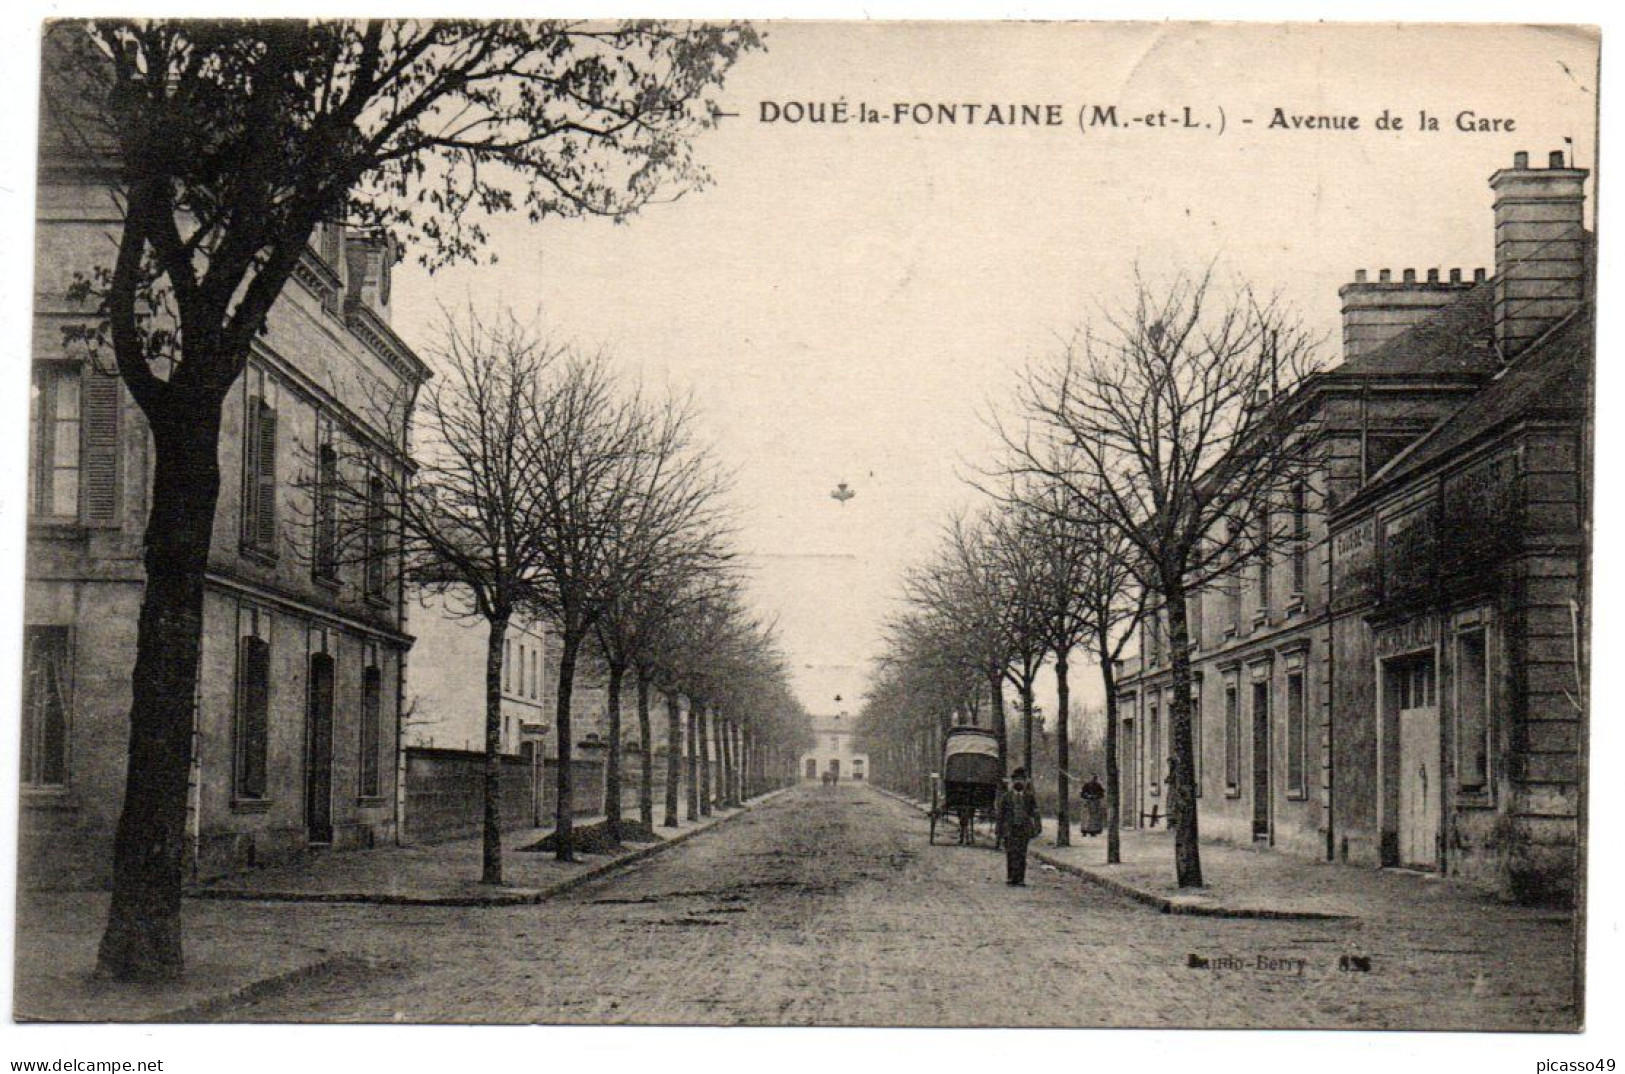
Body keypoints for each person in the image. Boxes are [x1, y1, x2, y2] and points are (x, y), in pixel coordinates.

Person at [997, 767, 1042, 886]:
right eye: (1016, 779)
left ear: (1025, 781)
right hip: (1010, 828)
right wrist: (999, 831)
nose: (1019, 782)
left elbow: (1035, 812)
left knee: (1022, 853)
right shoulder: (1006, 797)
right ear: (1012, 781)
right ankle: (1011, 877)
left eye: (1021, 779)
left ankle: (1021, 878)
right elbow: (1001, 814)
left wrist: (1037, 827)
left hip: (1023, 828)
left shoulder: (1029, 797)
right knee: (1011, 853)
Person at [1079, 773, 1106, 837]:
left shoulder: (1098, 786)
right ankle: (1084, 831)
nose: (1093, 779)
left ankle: (1093, 831)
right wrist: (1087, 796)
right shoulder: (1086, 785)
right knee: (1086, 817)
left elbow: (1102, 794)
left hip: (1095, 803)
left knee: (1094, 818)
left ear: (1096, 779)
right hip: (1087, 803)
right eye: (1092, 777)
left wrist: (1096, 796)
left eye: (1094, 778)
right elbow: (1082, 794)